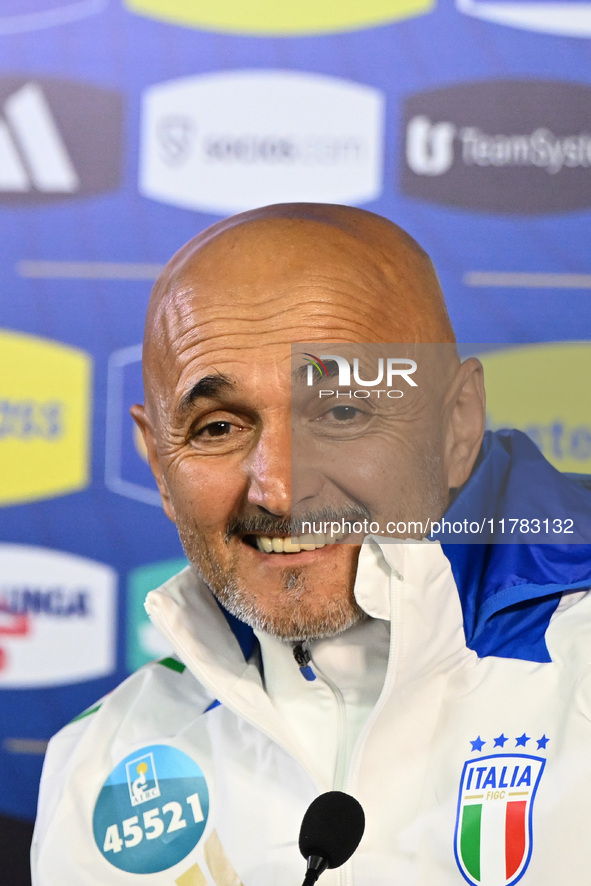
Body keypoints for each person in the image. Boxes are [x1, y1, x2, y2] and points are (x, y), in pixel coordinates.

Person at [32, 204, 591, 886]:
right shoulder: (101, 767)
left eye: (341, 412)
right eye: (216, 428)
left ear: (456, 424)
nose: (277, 489)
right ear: (157, 461)